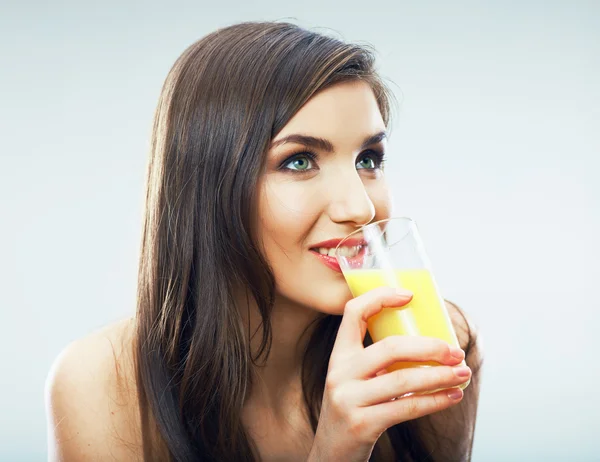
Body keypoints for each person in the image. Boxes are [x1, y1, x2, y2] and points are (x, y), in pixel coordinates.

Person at [45, 21, 483, 462]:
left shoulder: (436, 350)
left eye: (368, 159)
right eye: (299, 161)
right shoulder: (101, 382)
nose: (360, 208)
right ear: (209, 187)